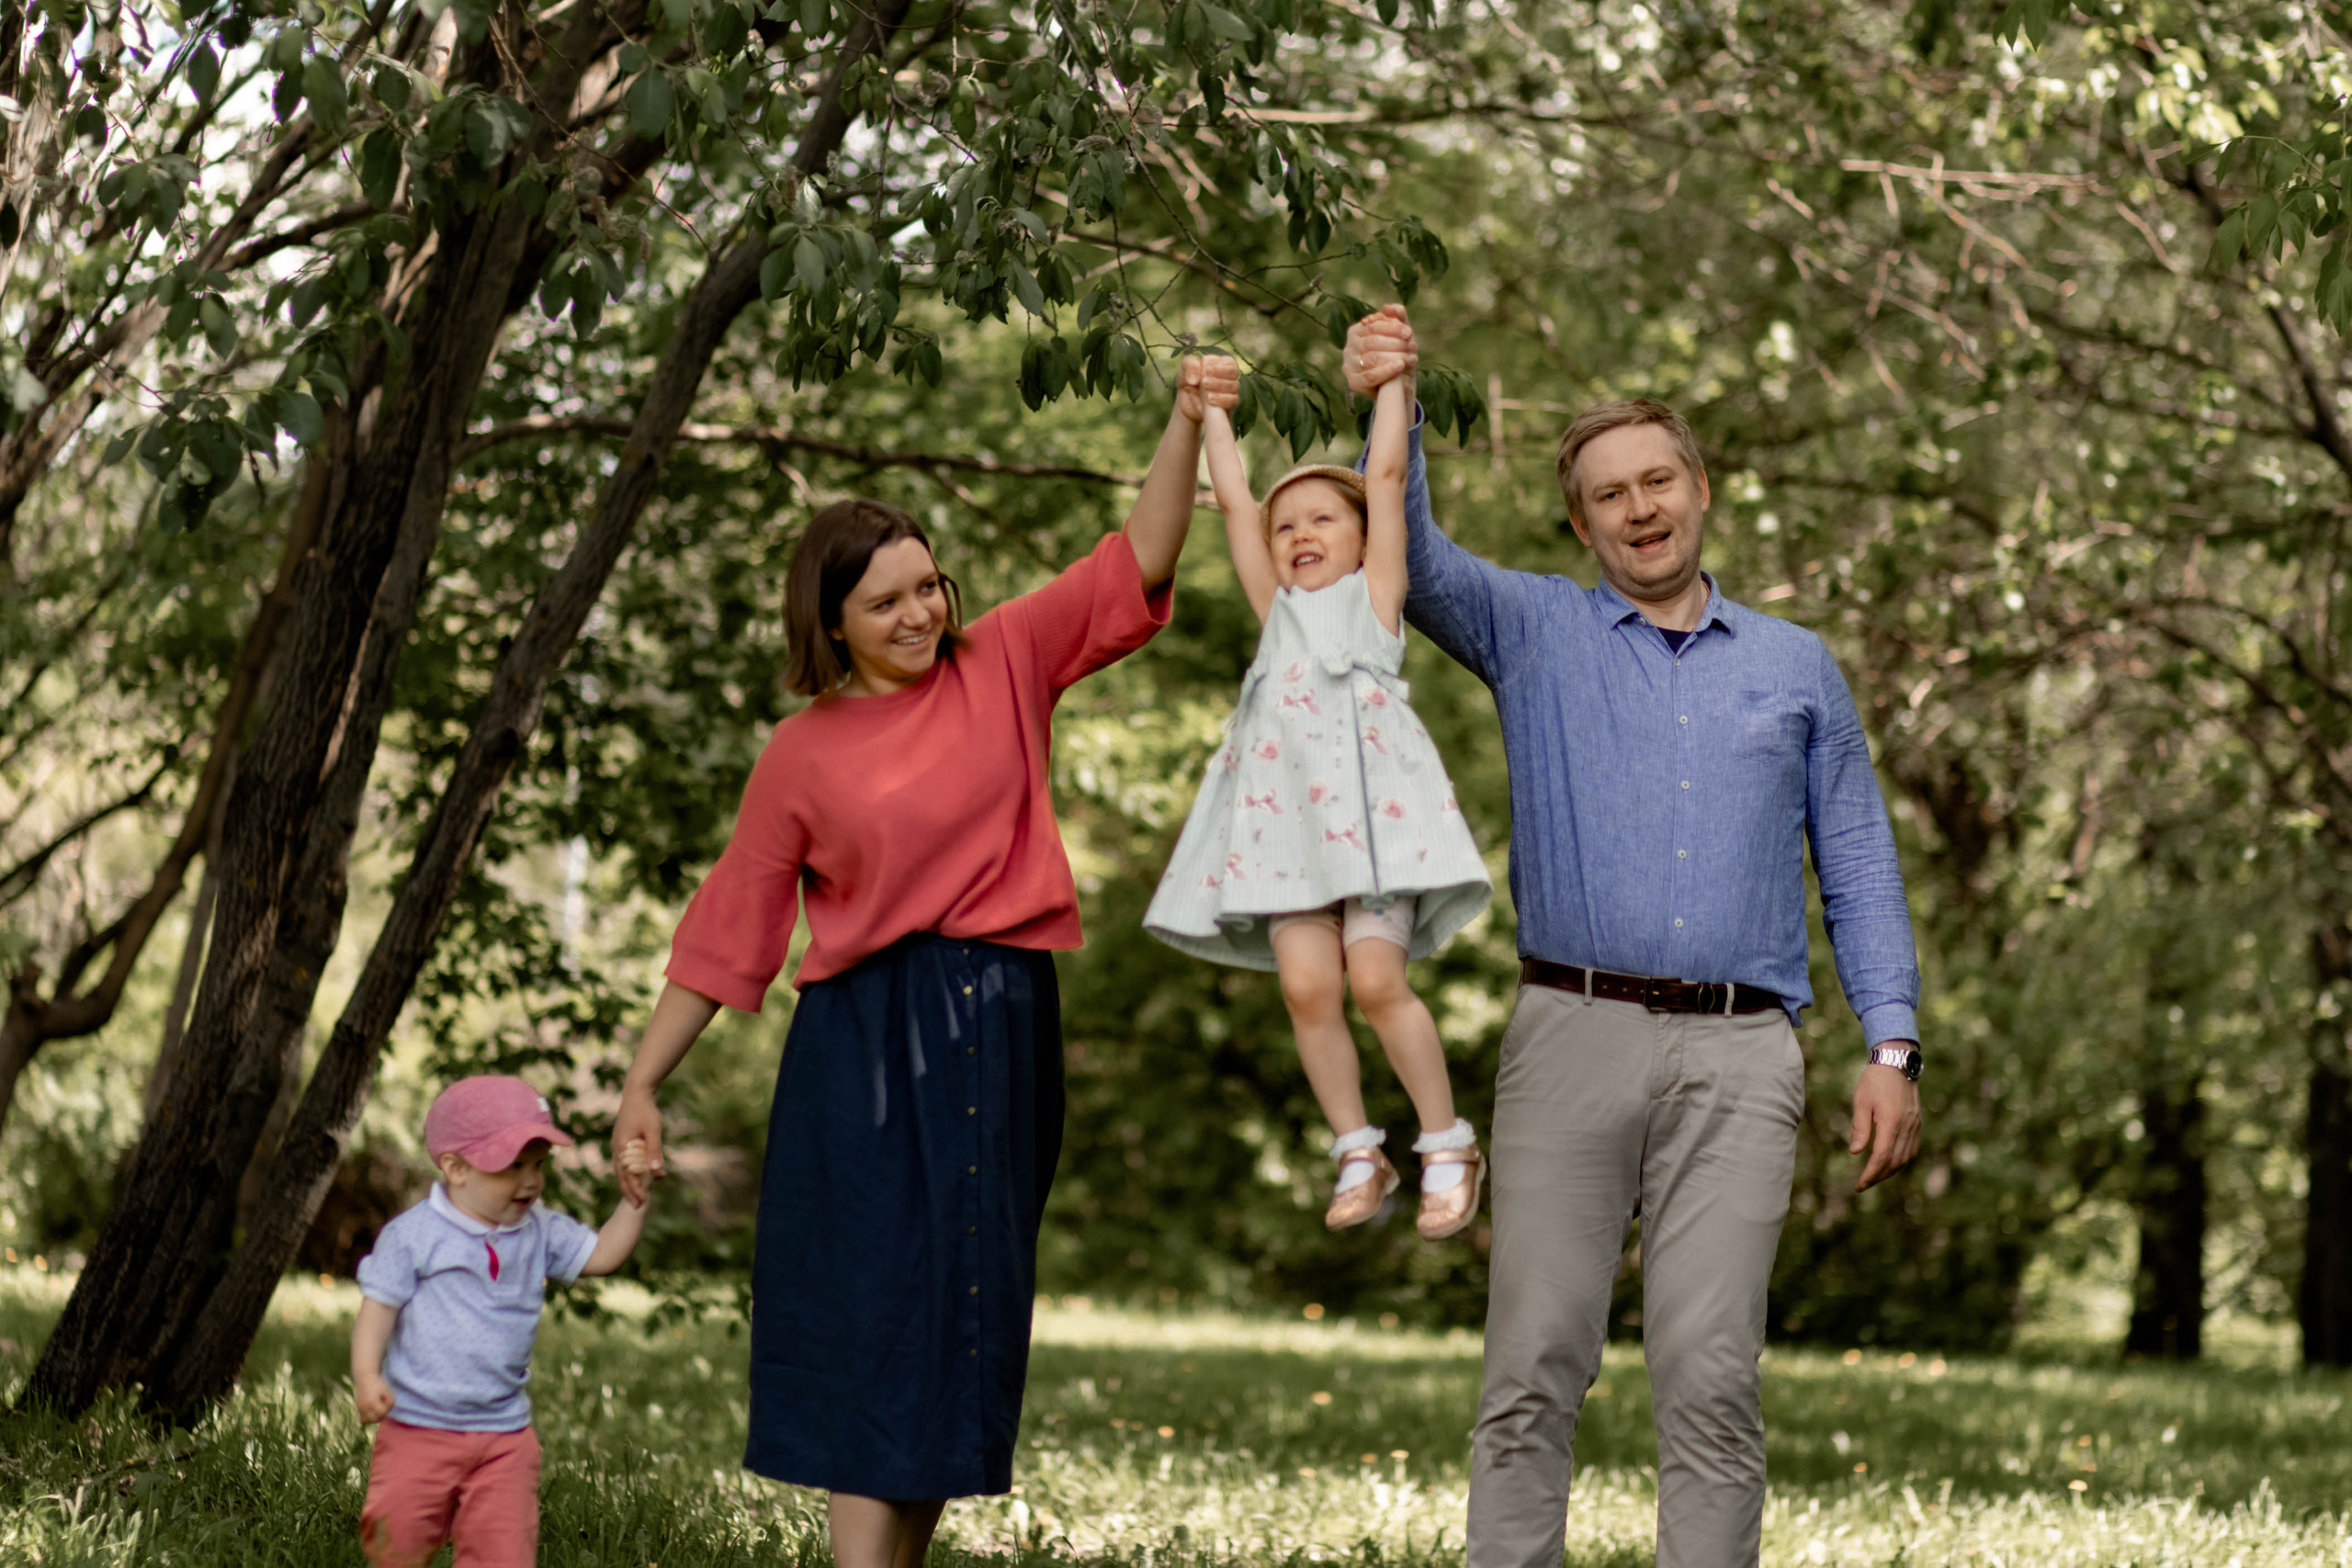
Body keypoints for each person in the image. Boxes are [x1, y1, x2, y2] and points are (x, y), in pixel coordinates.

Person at [607, 356, 1237, 1568]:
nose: (917, 614)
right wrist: (643, 1080)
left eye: (926, 587)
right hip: (866, 1041)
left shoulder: (1003, 661)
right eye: (884, 601)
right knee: (873, 1308)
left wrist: (1187, 417)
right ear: (830, 621)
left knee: (962, 1303)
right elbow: (731, 927)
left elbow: (1140, 557)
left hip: (1002, 1019)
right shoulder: (803, 752)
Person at [1344, 306, 1925, 1568]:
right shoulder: (1534, 630)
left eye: (1658, 478)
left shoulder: (1796, 666)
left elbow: (1861, 861)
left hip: (1743, 1056)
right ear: (1581, 524)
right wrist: (1395, 400)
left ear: (1700, 489)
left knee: (1712, 1378)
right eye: (1609, 495)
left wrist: (1893, 1041)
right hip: (1572, 1032)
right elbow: (1419, 555)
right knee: (1532, 1368)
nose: (1640, 507)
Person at [1145, 364, 1492, 1238]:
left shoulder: (1375, 601)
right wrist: (1211, 414)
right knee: (1307, 986)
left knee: (1375, 978)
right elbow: (1231, 501)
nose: (1300, 532)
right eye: (1286, 523)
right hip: (1288, 834)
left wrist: (1392, 383)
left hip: (1376, 834)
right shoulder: (1277, 614)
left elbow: (1383, 474)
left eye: (1322, 518)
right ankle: (1356, 1147)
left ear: (1364, 536)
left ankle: (1446, 1141)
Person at [352, 1075, 653, 1568]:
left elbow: (602, 1255)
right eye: (512, 1167)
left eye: (538, 1165)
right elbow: (378, 1307)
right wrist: (367, 1375)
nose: (531, 1181)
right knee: (396, 1544)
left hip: (504, 1436)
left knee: (505, 1554)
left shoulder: (541, 1231)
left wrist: (634, 1200)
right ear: (455, 1168)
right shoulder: (415, 1236)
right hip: (418, 1428)